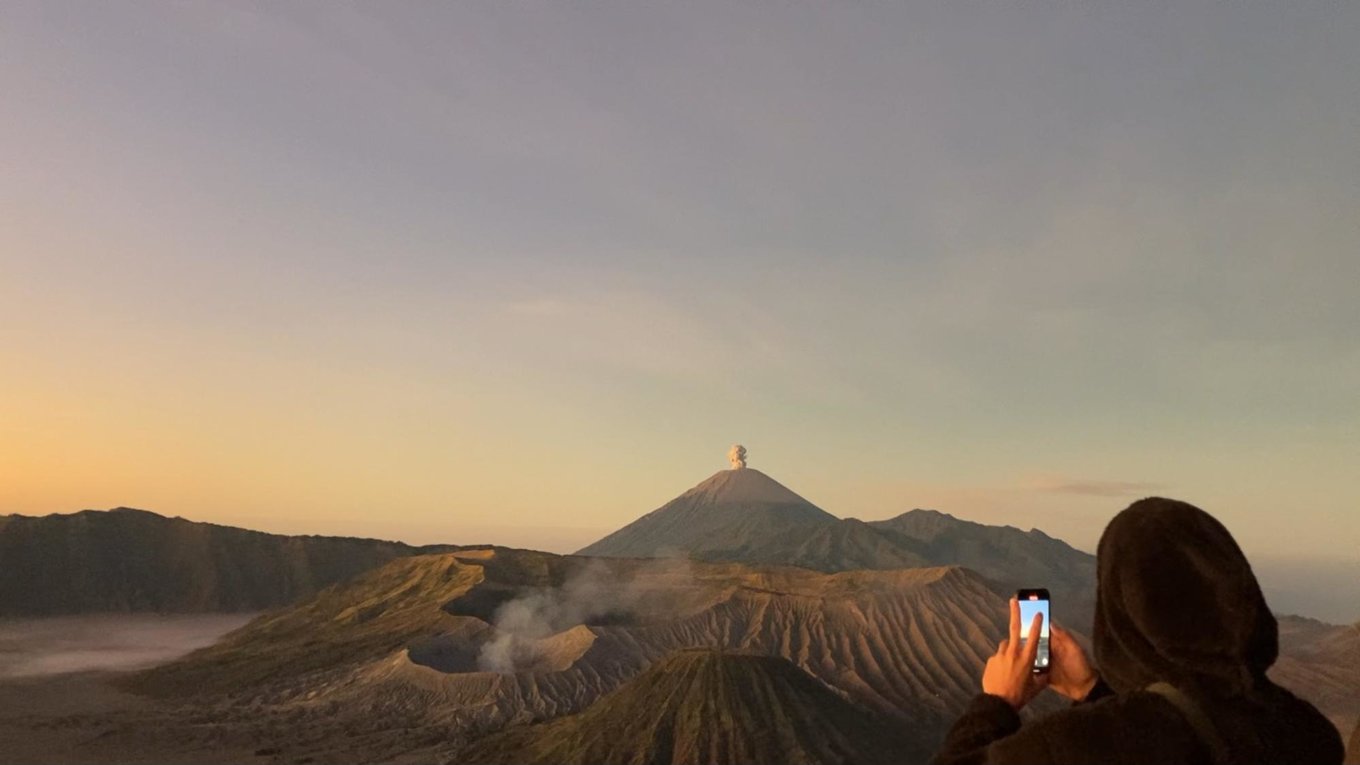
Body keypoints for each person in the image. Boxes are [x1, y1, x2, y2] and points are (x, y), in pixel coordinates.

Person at [932, 497, 1344, 765]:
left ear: (1122, 608)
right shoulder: (1307, 732)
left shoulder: (1079, 746)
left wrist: (997, 703)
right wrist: (1092, 690)